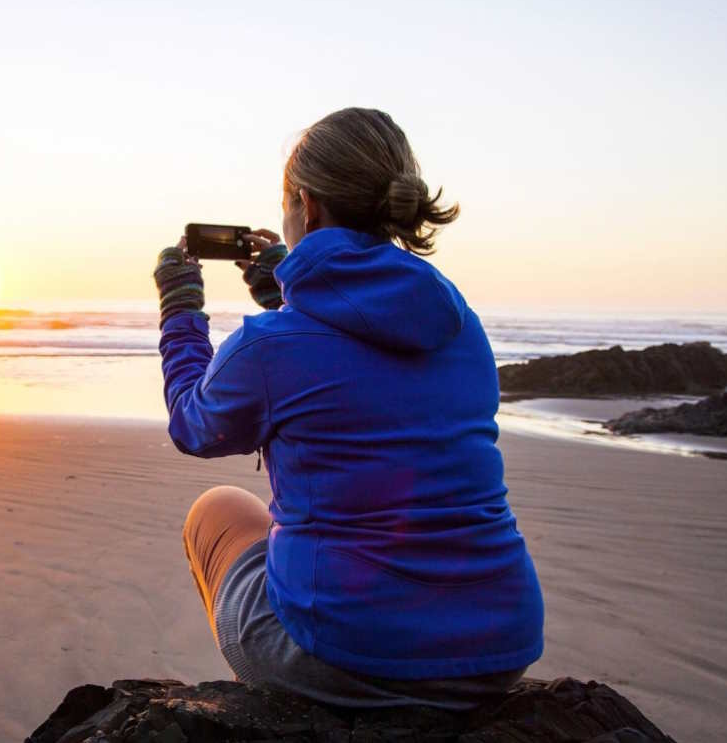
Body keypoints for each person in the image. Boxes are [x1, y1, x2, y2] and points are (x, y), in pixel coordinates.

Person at [152, 107, 544, 710]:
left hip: (349, 654)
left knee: (220, 510)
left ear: (305, 206)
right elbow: (360, 354)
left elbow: (193, 425)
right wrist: (282, 287)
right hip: (499, 648)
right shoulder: (459, 325)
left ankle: (278, 699)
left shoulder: (269, 347)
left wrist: (180, 311)